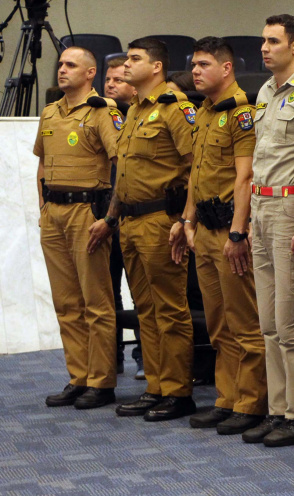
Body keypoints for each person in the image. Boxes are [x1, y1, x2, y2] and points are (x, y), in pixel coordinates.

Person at [87, 37, 196, 422]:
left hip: (159, 220)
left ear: (156, 67)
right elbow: (125, 174)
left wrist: (185, 220)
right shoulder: (134, 108)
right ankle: (157, 387)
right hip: (130, 219)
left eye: (135, 59)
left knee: (169, 309)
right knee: (145, 310)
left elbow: (193, 167)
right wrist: (112, 217)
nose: (126, 65)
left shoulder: (175, 108)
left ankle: (179, 391)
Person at [172, 37, 268, 435]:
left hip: (230, 229)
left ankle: (252, 403)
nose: (195, 71)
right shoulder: (205, 113)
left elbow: (245, 176)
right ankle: (227, 398)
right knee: (218, 324)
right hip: (205, 230)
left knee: (245, 322)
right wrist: (187, 220)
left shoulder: (242, 112)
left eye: (204, 64)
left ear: (226, 68)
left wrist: (238, 231)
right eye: (193, 64)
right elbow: (197, 173)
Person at [242, 14, 294, 448]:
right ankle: (279, 409)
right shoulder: (265, 90)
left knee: (292, 321)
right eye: (263, 40)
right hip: (260, 203)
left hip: (291, 205)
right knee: (269, 321)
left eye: (273, 41)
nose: (264, 47)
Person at [37, 46, 121, 410]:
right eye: (60, 65)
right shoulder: (50, 111)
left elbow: (122, 164)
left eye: (71, 65)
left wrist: (110, 217)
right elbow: (41, 164)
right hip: (53, 212)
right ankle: (78, 377)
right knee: (66, 302)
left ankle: (101, 382)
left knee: (95, 302)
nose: (62, 70)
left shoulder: (104, 110)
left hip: (87, 213)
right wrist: (41, 208)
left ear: (90, 73)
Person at [104, 54, 138, 377]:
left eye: (119, 79)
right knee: (107, 289)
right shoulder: (99, 114)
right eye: (109, 79)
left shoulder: (141, 116)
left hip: (138, 213)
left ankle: (144, 356)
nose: (112, 84)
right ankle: (110, 355)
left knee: (143, 290)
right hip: (105, 215)